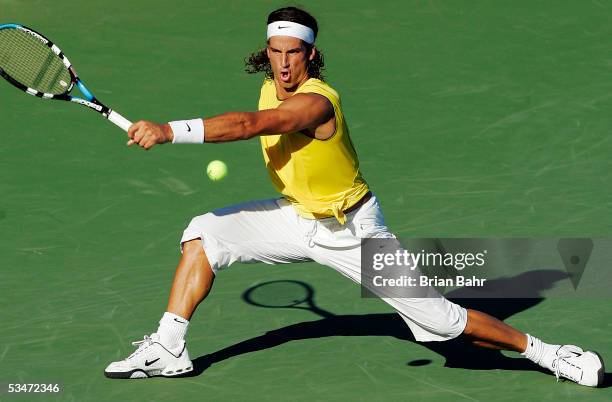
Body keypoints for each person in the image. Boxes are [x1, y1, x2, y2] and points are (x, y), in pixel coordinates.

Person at [104, 6, 604, 386]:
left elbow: (254, 125)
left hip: (353, 230)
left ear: (312, 54)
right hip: (298, 217)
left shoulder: (318, 103)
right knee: (205, 233)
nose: (282, 64)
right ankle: (169, 349)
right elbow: (258, 116)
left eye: (293, 53)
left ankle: (548, 353)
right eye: (275, 52)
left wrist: (170, 131)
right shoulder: (270, 82)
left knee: (444, 324)